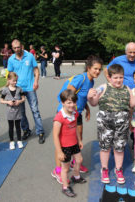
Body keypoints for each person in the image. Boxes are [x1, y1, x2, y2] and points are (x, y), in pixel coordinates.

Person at [52, 55, 103, 183]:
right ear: (89, 68)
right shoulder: (81, 78)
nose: (97, 71)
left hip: (76, 113)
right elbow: (69, 94)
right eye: (95, 69)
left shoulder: (91, 81)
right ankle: (57, 170)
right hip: (65, 114)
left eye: (99, 69)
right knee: (63, 142)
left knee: (76, 139)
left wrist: (87, 108)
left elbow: (81, 96)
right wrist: (71, 111)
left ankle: (75, 163)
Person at [87, 64, 135, 184]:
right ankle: (105, 169)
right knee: (105, 148)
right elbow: (94, 102)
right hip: (105, 124)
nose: (118, 80)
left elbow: (132, 104)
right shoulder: (103, 87)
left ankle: (118, 169)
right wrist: (90, 97)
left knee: (119, 148)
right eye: (115, 77)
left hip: (122, 124)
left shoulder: (127, 88)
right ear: (109, 77)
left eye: (120, 77)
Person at [7, 39, 45, 144]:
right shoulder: (11, 59)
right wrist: (10, 86)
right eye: (14, 48)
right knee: (21, 112)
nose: (16, 49)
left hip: (30, 88)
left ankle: (40, 132)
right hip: (18, 89)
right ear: (12, 48)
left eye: (18, 47)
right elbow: (10, 74)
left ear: (21, 46)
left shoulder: (29, 56)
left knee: (35, 110)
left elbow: (36, 70)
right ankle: (26, 130)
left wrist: (36, 81)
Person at [53, 89, 87, 197]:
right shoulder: (59, 118)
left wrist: (79, 140)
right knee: (65, 168)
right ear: (62, 103)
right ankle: (65, 187)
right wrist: (59, 152)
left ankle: (76, 176)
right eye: (69, 102)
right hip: (65, 147)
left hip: (74, 144)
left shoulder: (75, 113)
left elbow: (76, 128)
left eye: (74, 102)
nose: (72, 105)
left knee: (79, 160)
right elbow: (55, 136)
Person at [0, 72, 26, 150]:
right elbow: (1, 100)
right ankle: (11, 141)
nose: (15, 82)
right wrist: (8, 102)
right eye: (13, 81)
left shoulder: (19, 89)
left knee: (18, 126)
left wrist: (19, 101)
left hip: (18, 111)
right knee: (11, 127)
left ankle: (19, 140)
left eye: (16, 81)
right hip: (9, 112)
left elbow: (23, 98)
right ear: (9, 80)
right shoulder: (5, 90)